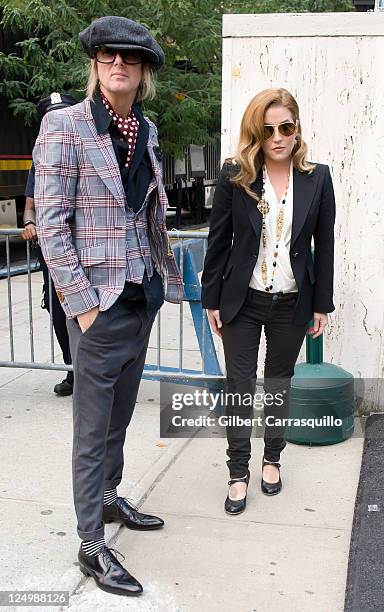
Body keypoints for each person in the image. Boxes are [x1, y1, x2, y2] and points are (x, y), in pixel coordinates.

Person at [33, 16, 184, 597]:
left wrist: (159, 284)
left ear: (143, 71)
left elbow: (148, 214)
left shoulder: (144, 130)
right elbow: (51, 223)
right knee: (92, 428)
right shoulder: (64, 126)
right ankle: (91, 541)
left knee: (121, 415)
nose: (117, 64)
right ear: (95, 65)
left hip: (139, 295)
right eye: (106, 56)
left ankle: (108, 496)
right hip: (95, 304)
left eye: (129, 57)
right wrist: (83, 306)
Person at [201, 88, 336, 515]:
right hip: (242, 299)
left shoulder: (318, 177)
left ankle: (272, 459)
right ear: (255, 133)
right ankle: (237, 472)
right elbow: (218, 241)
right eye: (268, 129)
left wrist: (322, 304)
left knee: (278, 385)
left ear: (297, 129)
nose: (277, 137)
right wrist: (211, 299)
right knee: (240, 388)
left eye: (285, 127)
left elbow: (325, 245)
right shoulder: (234, 174)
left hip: (292, 303)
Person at [22, 93, 78, 396]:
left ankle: (96, 375)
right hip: (53, 255)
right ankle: (74, 372)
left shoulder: (88, 152)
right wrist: (30, 223)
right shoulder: (40, 161)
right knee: (59, 313)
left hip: (84, 252)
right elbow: (30, 204)